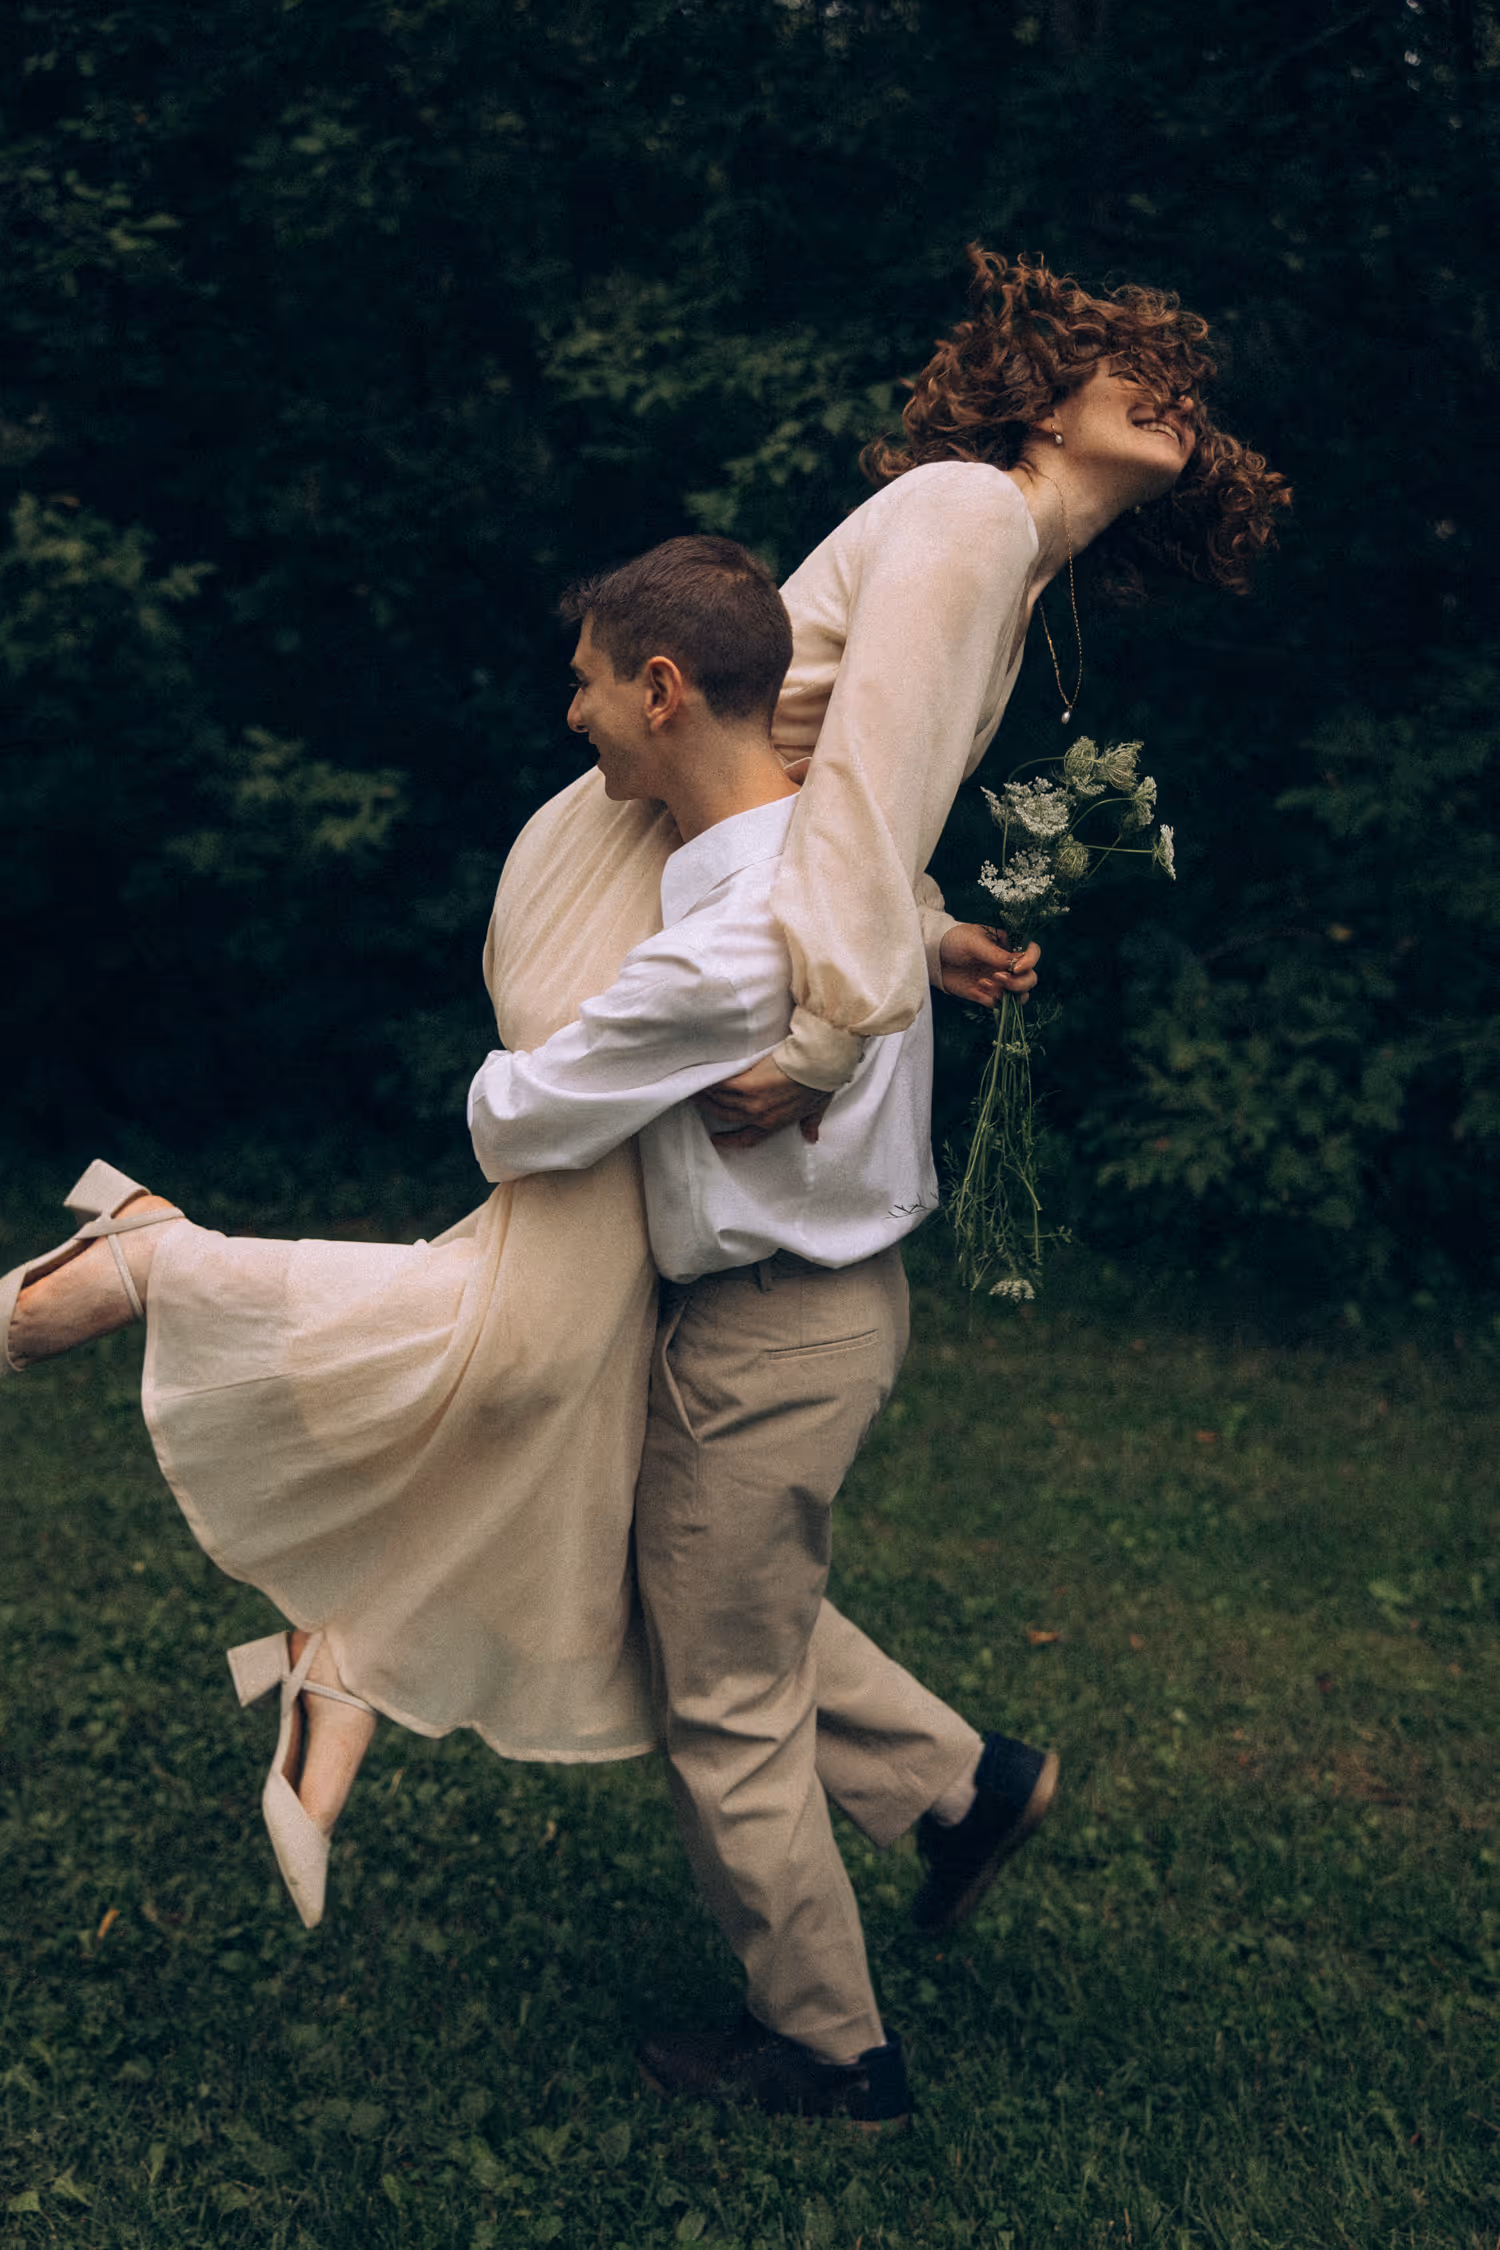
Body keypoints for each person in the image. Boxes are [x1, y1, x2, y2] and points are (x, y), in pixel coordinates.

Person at [0, 247, 1286, 1948]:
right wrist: (832, 1036)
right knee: (530, 1352)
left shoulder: (1006, 562)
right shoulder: (976, 515)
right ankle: (175, 1295)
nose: (1165, 383)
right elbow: (829, 812)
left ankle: (947, 1782)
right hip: (632, 894)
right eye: (1125, 358)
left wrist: (918, 929)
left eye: (1184, 370)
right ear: (1037, 392)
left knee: (592, 1421)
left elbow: (833, 812)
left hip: (677, 895)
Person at [467, 537, 1056, 2126]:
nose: (573, 712)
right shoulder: (847, 874)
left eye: (587, 680)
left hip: (769, 1334)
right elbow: (880, 920)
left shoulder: (725, 940)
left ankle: (829, 2049)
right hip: (808, 1315)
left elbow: (512, 1119)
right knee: (708, 1609)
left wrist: (558, 1036)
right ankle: (959, 1782)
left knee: (719, 1698)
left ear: (661, 689)